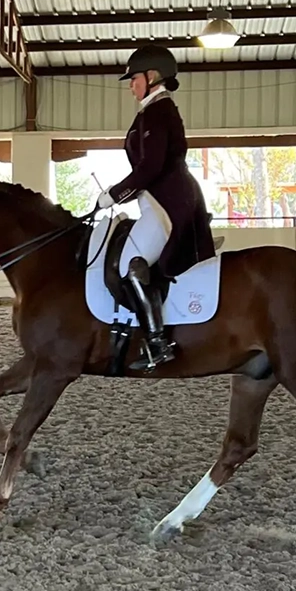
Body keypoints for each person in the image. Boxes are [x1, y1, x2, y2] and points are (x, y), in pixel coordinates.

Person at [96, 44, 216, 371]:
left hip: (169, 203)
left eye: (134, 79)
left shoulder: (158, 112)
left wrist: (114, 194)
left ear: (152, 77)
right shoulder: (153, 110)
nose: (131, 86)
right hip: (156, 201)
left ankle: (157, 342)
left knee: (129, 267)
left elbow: (151, 168)